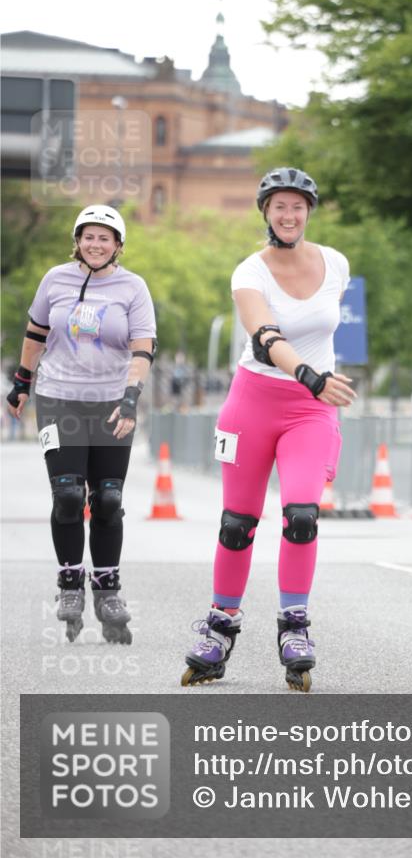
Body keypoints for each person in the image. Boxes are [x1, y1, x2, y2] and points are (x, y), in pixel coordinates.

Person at [182, 167, 356, 692]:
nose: (288, 215)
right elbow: (264, 334)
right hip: (254, 403)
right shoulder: (248, 272)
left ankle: (294, 627)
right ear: (265, 212)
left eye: (297, 206)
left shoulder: (336, 265)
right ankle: (219, 627)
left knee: (301, 515)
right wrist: (309, 374)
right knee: (238, 524)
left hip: (310, 410)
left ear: (309, 212)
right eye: (279, 206)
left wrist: (315, 386)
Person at [5, 204, 156, 645]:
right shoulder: (55, 279)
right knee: (69, 493)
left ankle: (107, 590)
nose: (95, 244)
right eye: (88, 236)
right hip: (58, 399)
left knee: (108, 499)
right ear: (77, 241)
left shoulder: (133, 287)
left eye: (104, 238)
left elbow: (143, 346)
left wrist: (130, 398)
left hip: (110, 403)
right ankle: (70, 582)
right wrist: (21, 382)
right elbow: (35, 334)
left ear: (118, 246)